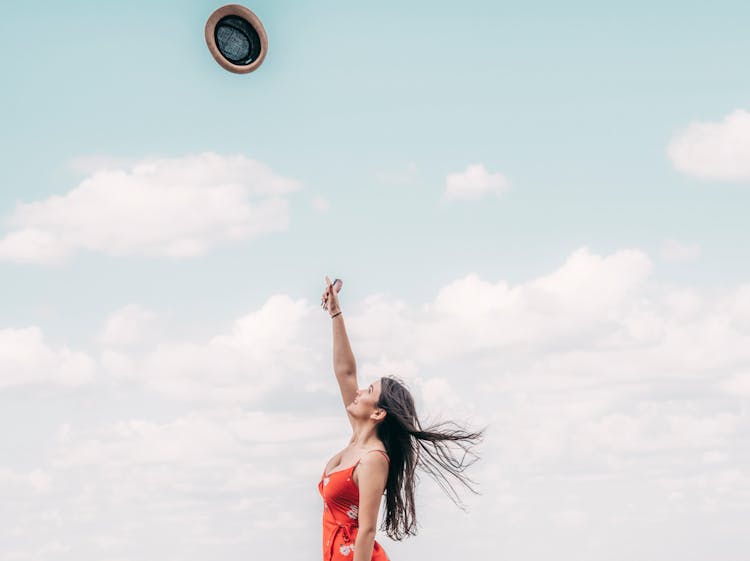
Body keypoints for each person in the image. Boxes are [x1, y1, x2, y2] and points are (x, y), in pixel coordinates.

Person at [318, 276, 485, 561]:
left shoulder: (372, 458)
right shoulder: (357, 440)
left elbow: (367, 531)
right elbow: (345, 372)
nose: (357, 391)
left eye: (368, 390)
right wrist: (335, 313)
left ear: (378, 412)